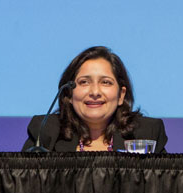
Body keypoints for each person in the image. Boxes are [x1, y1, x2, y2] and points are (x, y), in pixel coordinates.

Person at [22, 46, 167, 152]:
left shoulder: (146, 133)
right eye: (84, 82)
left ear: (121, 95)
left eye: (106, 82)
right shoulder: (46, 132)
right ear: (69, 94)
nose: (95, 92)